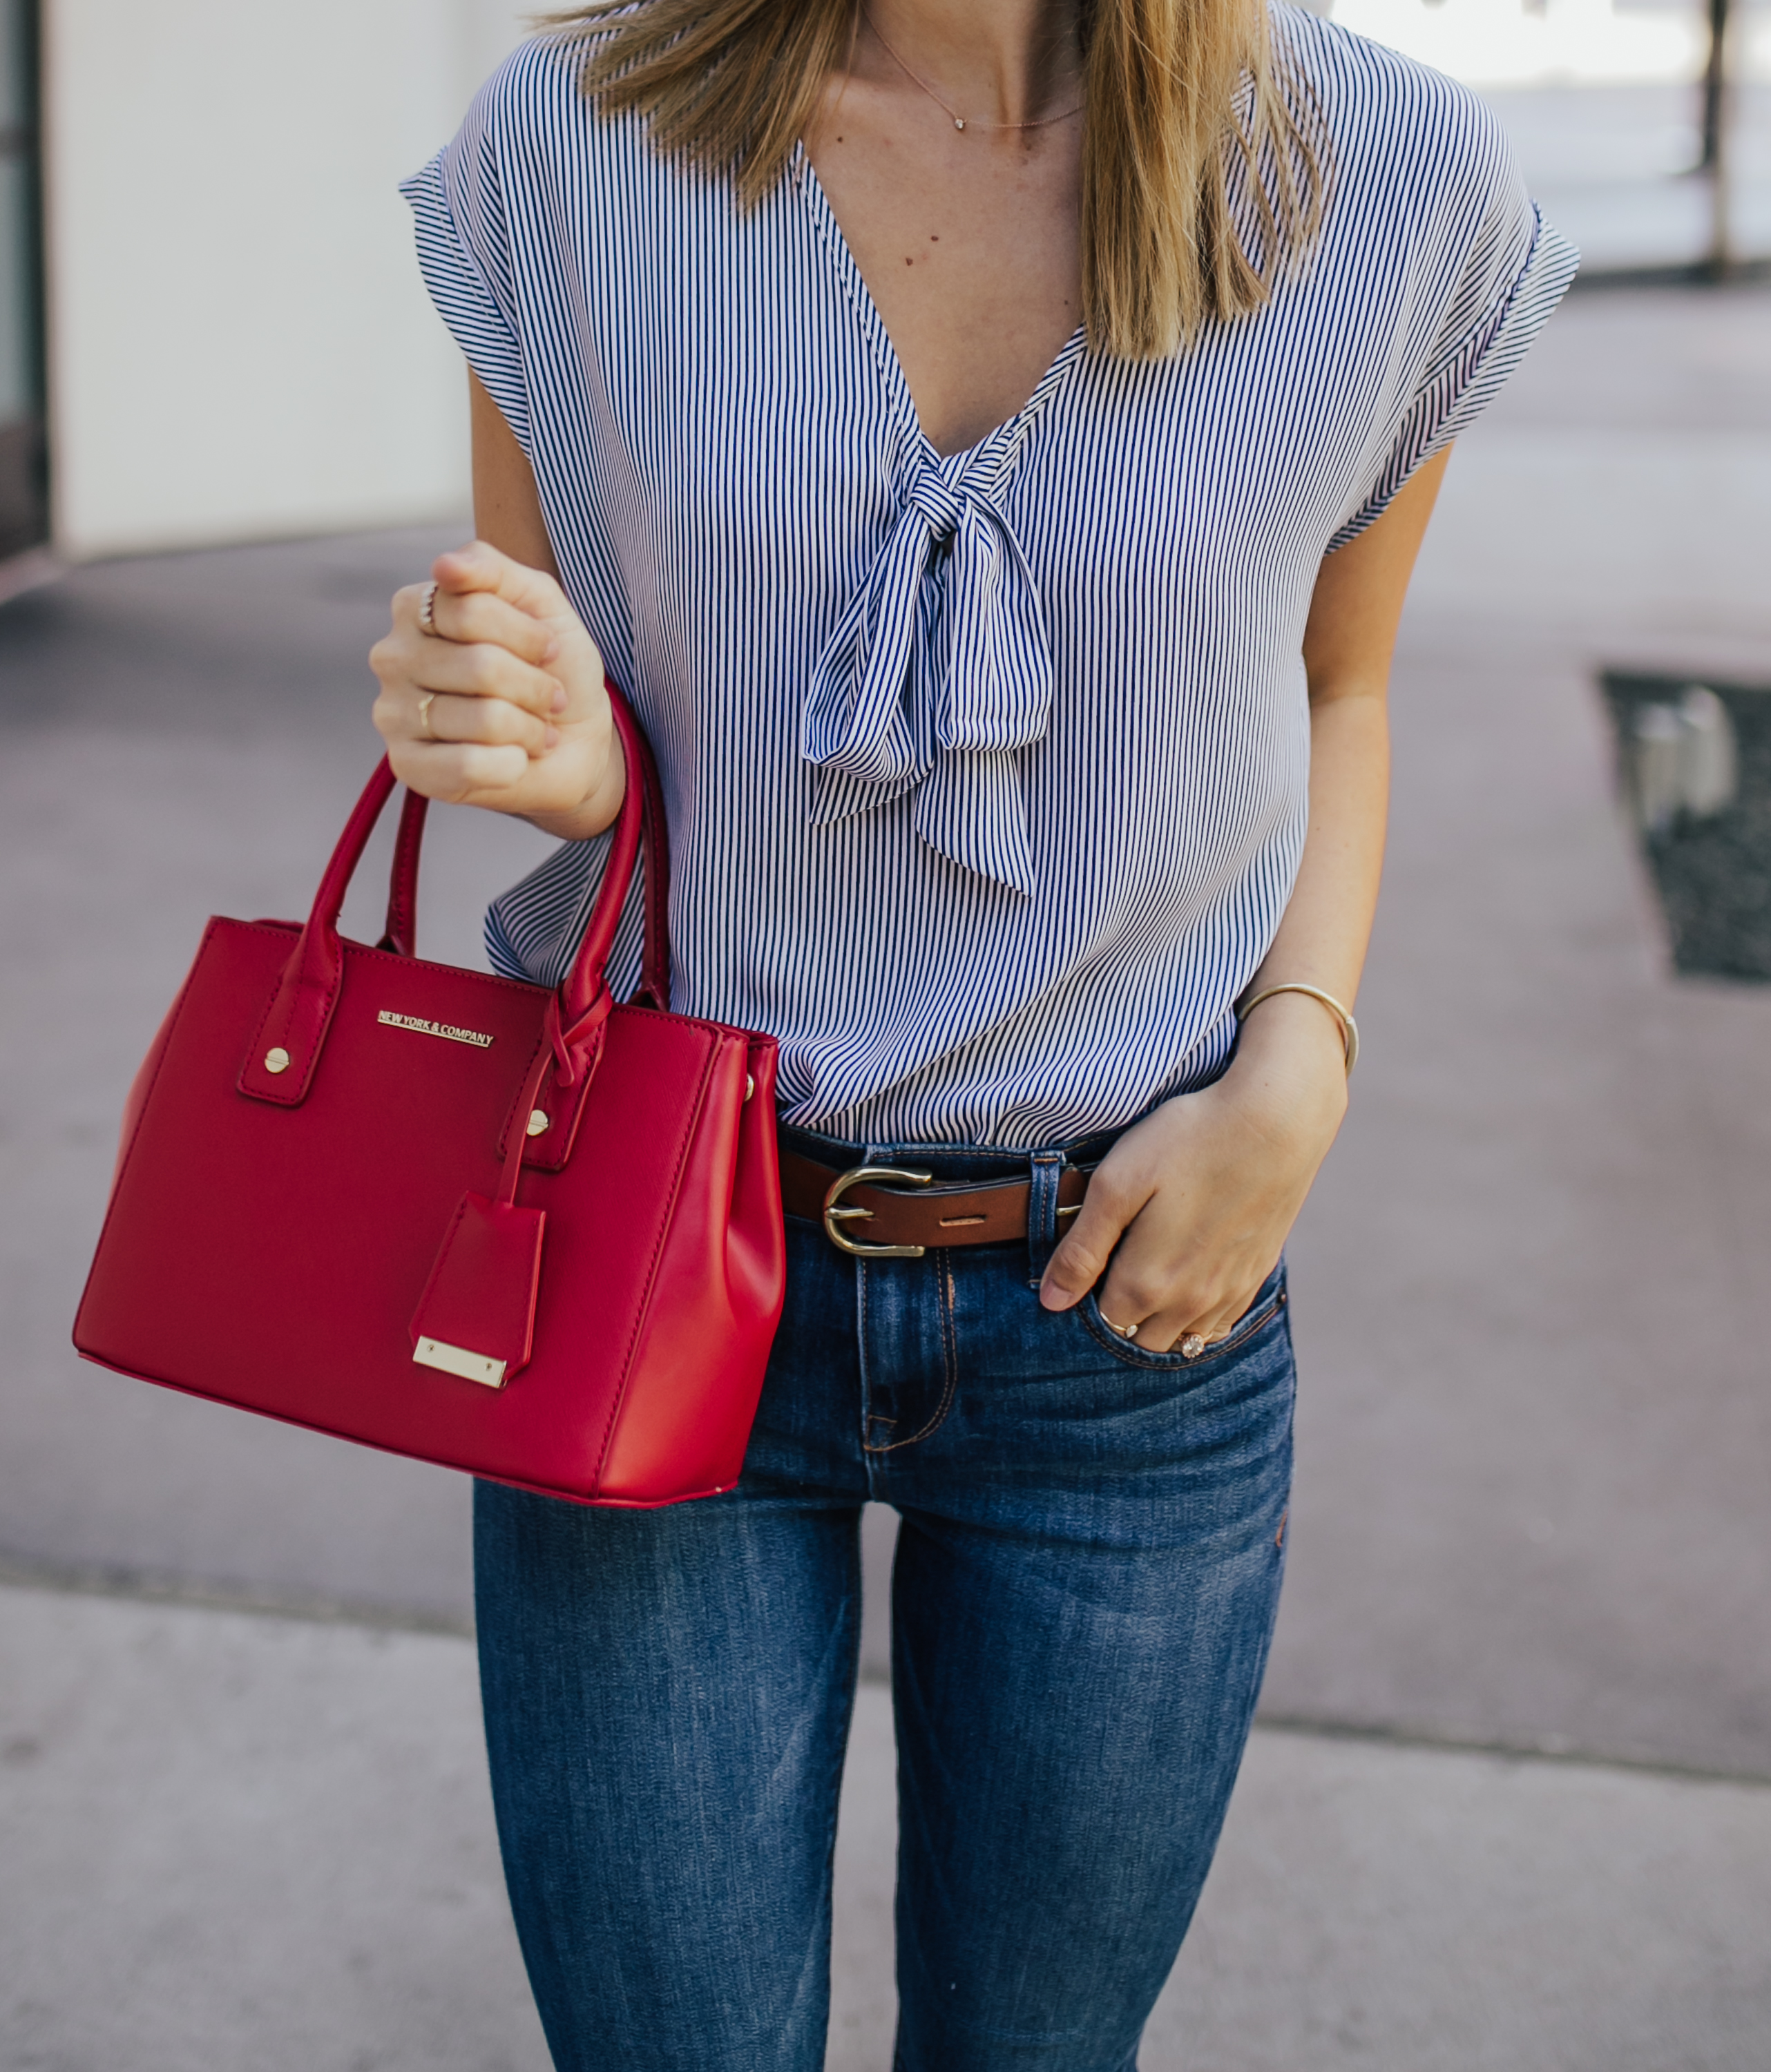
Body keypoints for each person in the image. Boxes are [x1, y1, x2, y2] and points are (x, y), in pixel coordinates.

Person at [370, 1, 1575, 2064]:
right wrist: (549, 757)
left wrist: (1300, 1063)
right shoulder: (570, 141)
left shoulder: (1393, 176)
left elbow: (1340, 690)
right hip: (665, 1250)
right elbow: (576, 690)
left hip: (1126, 1307)